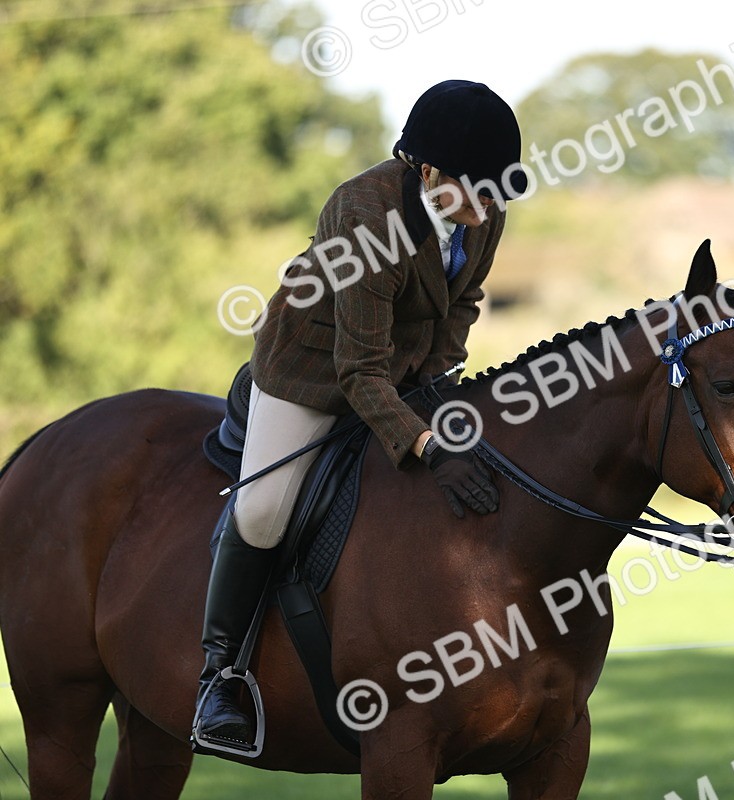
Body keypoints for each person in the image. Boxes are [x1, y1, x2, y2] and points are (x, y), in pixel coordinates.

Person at [193, 79, 527, 746]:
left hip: (400, 370)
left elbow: (462, 304)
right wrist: (428, 444)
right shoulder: (364, 215)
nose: (488, 209)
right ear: (429, 171)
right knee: (261, 507)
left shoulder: (482, 214)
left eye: (498, 193)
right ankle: (220, 677)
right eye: (479, 191)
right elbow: (357, 372)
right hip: (311, 373)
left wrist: (439, 390)